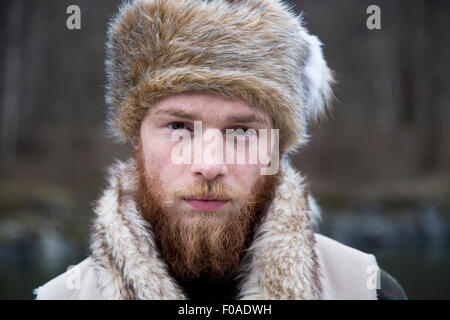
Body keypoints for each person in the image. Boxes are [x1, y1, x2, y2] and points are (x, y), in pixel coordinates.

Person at [35, 0, 406, 300]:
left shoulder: (366, 290)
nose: (209, 165)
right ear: (136, 138)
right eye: (178, 126)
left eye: (242, 130)